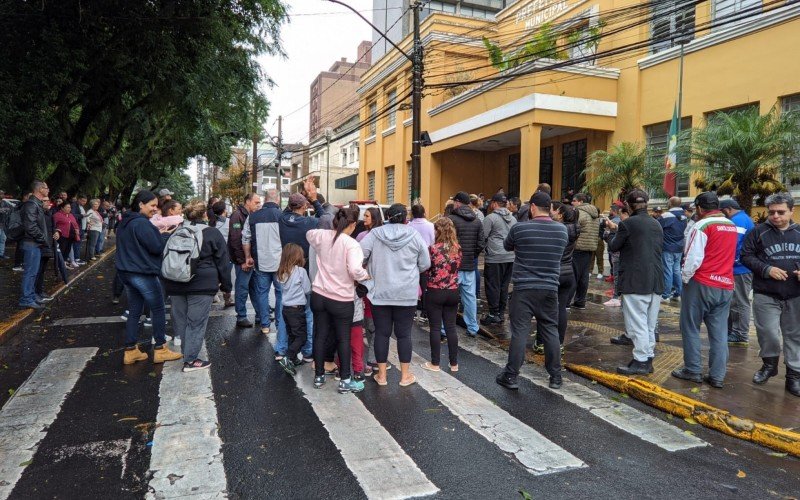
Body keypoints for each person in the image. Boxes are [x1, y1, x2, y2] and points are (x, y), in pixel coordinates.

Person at [496, 191, 567, 390]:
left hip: (524, 288)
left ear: (533, 207)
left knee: (520, 332)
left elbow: (507, 245)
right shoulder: (562, 231)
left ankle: (511, 375)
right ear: (551, 209)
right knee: (550, 330)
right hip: (549, 288)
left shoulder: (520, 228)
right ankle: (555, 376)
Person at [671, 192, 738, 388]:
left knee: (690, 326)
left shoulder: (701, 225)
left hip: (701, 283)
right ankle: (717, 375)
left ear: (700, 208)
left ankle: (692, 370)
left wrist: (684, 279)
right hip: (725, 284)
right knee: (719, 333)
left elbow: (693, 258)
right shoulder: (731, 225)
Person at [361, 203, 431, 387]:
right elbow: (425, 263)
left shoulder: (375, 235)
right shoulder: (414, 235)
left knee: (382, 334)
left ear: (387, 217)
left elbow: (359, 255)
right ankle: (405, 376)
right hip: (406, 293)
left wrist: (369, 270)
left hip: (380, 293)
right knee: (404, 335)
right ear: (405, 218)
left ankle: (382, 376)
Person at [740, 192, 800, 397]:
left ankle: (793, 376)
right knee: (768, 333)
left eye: (781, 212)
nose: (775, 216)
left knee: (794, 336)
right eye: (772, 212)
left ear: (791, 211)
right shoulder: (758, 232)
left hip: (795, 294)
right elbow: (746, 256)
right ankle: (769, 365)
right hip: (766, 293)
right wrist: (766, 269)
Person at [163, 200, 232, 372]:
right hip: (202, 284)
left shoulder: (177, 231)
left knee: (182, 321)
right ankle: (191, 360)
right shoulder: (212, 233)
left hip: (176, 282)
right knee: (196, 323)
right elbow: (223, 262)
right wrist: (226, 286)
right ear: (205, 215)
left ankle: (188, 355)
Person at [307, 206, 370, 393]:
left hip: (319, 294)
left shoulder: (321, 236)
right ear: (352, 224)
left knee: (320, 336)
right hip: (341, 299)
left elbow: (309, 234)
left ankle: (318, 376)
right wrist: (366, 275)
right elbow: (355, 271)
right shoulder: (351, 244)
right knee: (343, 339)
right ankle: (344, 380)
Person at [116, 190, 182, 366]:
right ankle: (160, 348)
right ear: (140, 205)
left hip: (126, 272)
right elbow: (156, 247)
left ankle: (130, 350)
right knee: (158, 308)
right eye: (152, 205)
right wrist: (165, 235)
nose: (155, 209)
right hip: (142, 272)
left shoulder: (125, 222)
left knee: (135, 310)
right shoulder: (142, 224)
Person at [605, 190, 664, 375]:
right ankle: (647, 358)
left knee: (637, 323)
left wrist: (608, 234)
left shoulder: (628, 223)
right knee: (649, 324)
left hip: (635, 279)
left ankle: (640, 360)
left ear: (628, 206)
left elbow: (615, 246)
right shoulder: (656, 223)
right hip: (655, 279)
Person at [243, 189, 285, 342]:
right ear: (278, 199)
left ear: (265, 199)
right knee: (280, 293)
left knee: (262, 292)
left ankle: (265, 324)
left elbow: (246, 238)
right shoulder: (282, 216)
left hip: (260, 261)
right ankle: (280, 324)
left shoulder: (253, 216)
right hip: (280, 261)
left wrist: (248, 257)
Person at [423, 218, 462, 372]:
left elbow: (426, 269)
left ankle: (435, 363)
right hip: (453, 291)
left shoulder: (432, 249)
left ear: (438, 231)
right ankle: (454, 364)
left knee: (435, 328)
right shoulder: (457, 248)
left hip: (435, 291)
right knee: (451, 327)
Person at [449, 191, 485, 337]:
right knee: (469, 298)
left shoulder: (451, 219)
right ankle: (472, 327)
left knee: (451, 297)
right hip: (469, 264)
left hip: (453, 266)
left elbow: (446, 242)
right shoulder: (476, 220)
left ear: (457, 202)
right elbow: (481, 243)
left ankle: (446, 328)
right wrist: (472, 255)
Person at [720, 198, 755, 346]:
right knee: (737, 301)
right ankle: (736, 332)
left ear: (728, 209)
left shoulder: (737, 221)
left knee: (740, 301)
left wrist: (728, 262)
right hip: (741, 267)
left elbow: (734, 244)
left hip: (740, 268)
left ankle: (740, 334)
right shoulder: (744, 218)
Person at [276, 243, 312, 376]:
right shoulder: (300, 271)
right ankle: (287, 357)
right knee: (301, 337)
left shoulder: (282, 271)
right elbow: (307, 289)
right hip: (297, 309)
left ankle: (293, 358)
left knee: (292, 334)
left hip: (285, 309)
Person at [481, 192, 516, 326]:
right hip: (510, 256)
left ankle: (493, 313)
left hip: (495, 257)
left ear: (495, 203)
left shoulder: (490, 218)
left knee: (492, 285)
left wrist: (484, 249)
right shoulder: (513, 219)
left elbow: (483, 236)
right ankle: (501, 312)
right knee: (504, 285)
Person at [356, 206, 384, 374]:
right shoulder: (362, 235)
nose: (364, 218)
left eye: (367, 216)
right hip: (368, 282)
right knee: (371, 323)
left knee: (373, 323)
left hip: (375, 281)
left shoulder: (374, 236)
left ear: (374, 218)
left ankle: (373, 359)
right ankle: (373, 360)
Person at [229, 193, 262, 328]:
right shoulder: (237, 215)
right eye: (256, 202)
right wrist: (242, 260)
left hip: (251, 259)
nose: (259, 205)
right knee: (242, 288)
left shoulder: (251, 215)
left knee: (255, 288)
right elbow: (236, 239)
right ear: (247, 202)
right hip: (243, 260)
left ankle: (260, 314)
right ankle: (241, 316)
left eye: (259, 202)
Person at [18, 181, 50, 310]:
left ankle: (31, 296)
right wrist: (43, 238)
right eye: (46, 188)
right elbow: (30, 226)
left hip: (34, 243)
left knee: (33, 273)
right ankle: (26, 299)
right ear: (40, 189)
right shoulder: (31, 204)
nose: (48, 190)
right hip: (31, 243)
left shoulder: (36, 204)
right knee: (30, 273)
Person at [552, 204, 580, 347]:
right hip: (568, 271)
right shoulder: (575, 228)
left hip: (556, 271)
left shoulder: (559, 229)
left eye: (556, 210)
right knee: (562, 308)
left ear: (561, 214)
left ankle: (543, 341)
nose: (554, 212)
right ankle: (559, 343)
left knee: (549, 308)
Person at [570, 192, 600, 309]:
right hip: (590, 247)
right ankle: (580, 301)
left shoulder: (579, 213)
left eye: (574, 201)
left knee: (573, 275)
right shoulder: (594, 213)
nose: (572, 203)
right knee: (583, 276)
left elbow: (574, 229)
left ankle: (567, 301)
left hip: (578, 247)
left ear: (581, 202)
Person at [658, 196, 688, 302]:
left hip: (667, 247)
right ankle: (678, 293)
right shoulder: (684, 216)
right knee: (676, 270)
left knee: (667, 270)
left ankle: (665, 295)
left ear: (670, 203)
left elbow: (657, 228)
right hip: (679, 247)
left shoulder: (666, 216)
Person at [34, 199, 58, 304]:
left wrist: (57, 232)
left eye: (48, 201)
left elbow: (52, 227)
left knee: (42, 270)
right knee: (36, 271)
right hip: (40, 245)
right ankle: (34, 293)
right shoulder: (37, 213)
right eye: (45, 201)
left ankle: (39, 291)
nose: (48, 203)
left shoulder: (49, 214)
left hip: (48, 245)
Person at [602, 205, 623, 307]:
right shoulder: (621, 223)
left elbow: (613, 241)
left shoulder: (618, 223)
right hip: (619, 254)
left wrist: (609, 231)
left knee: (617, 275)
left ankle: (616, 297)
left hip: (617, 254)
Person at [53, 202, 81, 269]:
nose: (69, 209)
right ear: (62, 208)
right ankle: (59, 265)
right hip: (62, 236)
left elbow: (75, 223)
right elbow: (53, 225)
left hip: (71, 236)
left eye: (70, 207)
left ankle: (64, 264)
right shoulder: (57, 215)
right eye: (67, 207)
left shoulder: (70, 215)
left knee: (67, 251)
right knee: (62, 250)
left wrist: (77, 229)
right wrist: (56, 231)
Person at [0, 190, 12, 259]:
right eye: (1, 194)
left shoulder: (5, 203)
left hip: (4, 225)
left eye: (3, 194)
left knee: (3, 240)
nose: (2, 195)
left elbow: (10, 210)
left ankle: (1, 254)